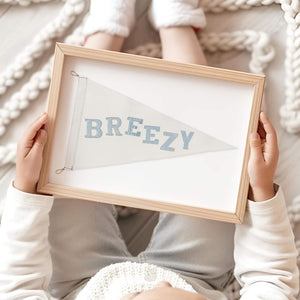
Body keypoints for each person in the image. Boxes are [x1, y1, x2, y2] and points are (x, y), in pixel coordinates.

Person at [0, 1, 298, 299]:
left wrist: (26, 190)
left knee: (58, 155)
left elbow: (18, 285)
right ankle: (176, 26)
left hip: (80, 281)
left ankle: (105, 31)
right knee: (216, 158)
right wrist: (261, 191)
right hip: (195, 275)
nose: (162, 286)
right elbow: (273, 279)